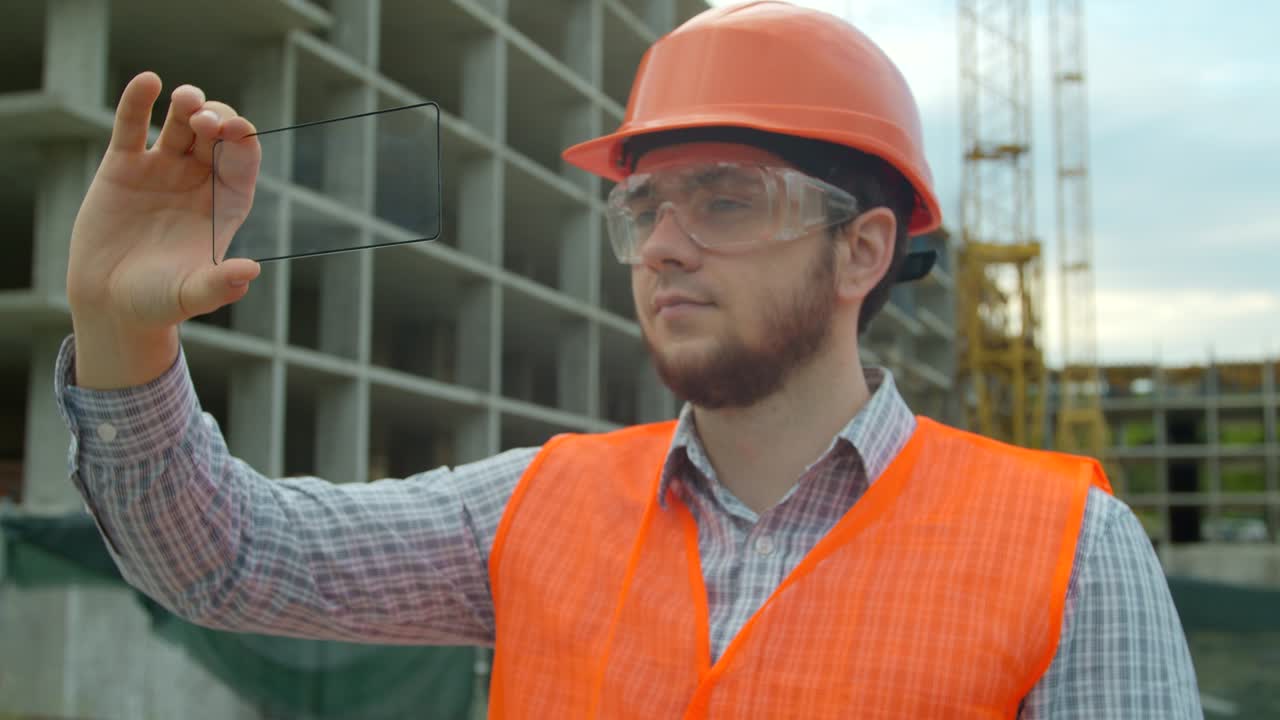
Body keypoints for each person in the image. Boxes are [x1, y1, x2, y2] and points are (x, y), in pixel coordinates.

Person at [57, 1, 1201, 717]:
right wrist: (121, 330)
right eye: (643, 207)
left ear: (861, 250)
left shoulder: (1068, 555)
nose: (660, 245)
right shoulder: (530, 511)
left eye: (723, 200)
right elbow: (221, 559)